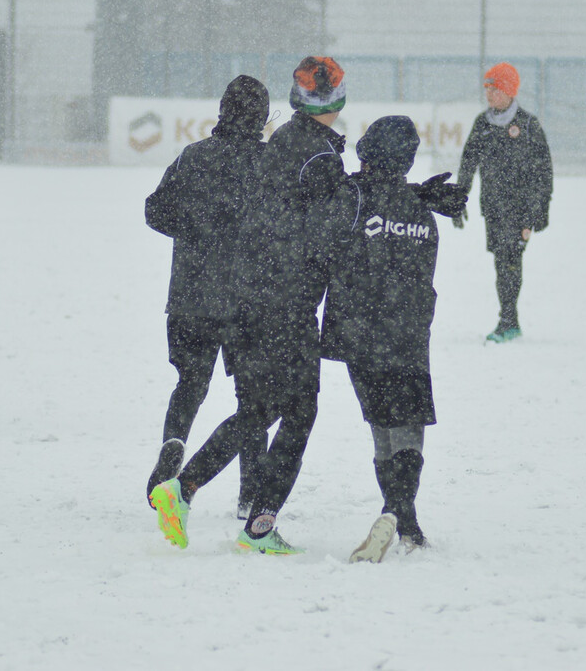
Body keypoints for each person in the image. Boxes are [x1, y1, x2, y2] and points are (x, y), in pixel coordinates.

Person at [148, 57, 466, 556]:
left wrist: (407, 195)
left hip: (247, 297)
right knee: (298, 414)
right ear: (338, 101)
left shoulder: (281, 144)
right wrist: (410, 202)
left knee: (260, 411)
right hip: (287, 305)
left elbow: (340, 199)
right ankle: (255, 526)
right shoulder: (320, 157)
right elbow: (340, 220)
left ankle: (185, 492)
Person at [148, 56, 350, 556]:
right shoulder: (291, 155)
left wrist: (197, 235)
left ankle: (181, 471)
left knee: (209, 390)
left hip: (207, 295)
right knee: (273, 407)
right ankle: (254, 512)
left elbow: (157, 211)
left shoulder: (215, 153)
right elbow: (318, 229)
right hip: (269, 299)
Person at [310, 116, 445, 563]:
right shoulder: (424, 212)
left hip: (359, 334)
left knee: (381, 432)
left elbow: (322, 245)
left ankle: (402, 519)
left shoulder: (352, 197)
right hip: (407, 335)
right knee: (408, 434)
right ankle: (399, 517)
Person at [143, 76, 271, 515]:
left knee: (190, 383)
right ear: (261, 118)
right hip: (247, 300)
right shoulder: (268, 163)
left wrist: (196, 233)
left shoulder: (193, 156)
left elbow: (154, 210)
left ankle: (173, 447)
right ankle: (251, 493)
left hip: (190, 296)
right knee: (253, 397)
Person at [453, 62, 553, 343]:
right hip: (494, 207)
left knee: (511, 260)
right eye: (487, 89)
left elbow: (543, 171)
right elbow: (468, 162)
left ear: (508, 90)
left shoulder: (528, 124)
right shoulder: (482, 124)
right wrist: (458, 200)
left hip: (521, 210)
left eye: (494, 89)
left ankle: (507, 320)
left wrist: (539, 211)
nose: (489, 95)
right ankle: (511, 320)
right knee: (502, 262)